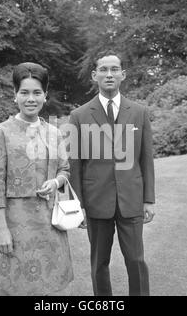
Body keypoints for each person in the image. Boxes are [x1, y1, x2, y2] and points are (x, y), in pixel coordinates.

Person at [69, 50, 155, 296]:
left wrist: (148, 199)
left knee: (136, 261)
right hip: (96, 202)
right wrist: (78, 206)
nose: (109, 74)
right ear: (94, 76)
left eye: (114, 69)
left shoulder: (139, 112)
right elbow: (75, 165)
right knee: (99, 264)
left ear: (123, 75)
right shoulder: (79, 116)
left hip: (131, 199)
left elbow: (146, 159)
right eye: (103, 70)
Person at [0, 62, 73, 296]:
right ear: (15, 95)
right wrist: (1, 229)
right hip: (16, 225)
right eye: (24, 92)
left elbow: (65, 171)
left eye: (37, 93)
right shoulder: (1, 133)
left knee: (48, 285)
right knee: (19, 286)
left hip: (50, 222)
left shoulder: (55, 133)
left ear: (45, 96)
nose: (30, 98)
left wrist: (55, 182)